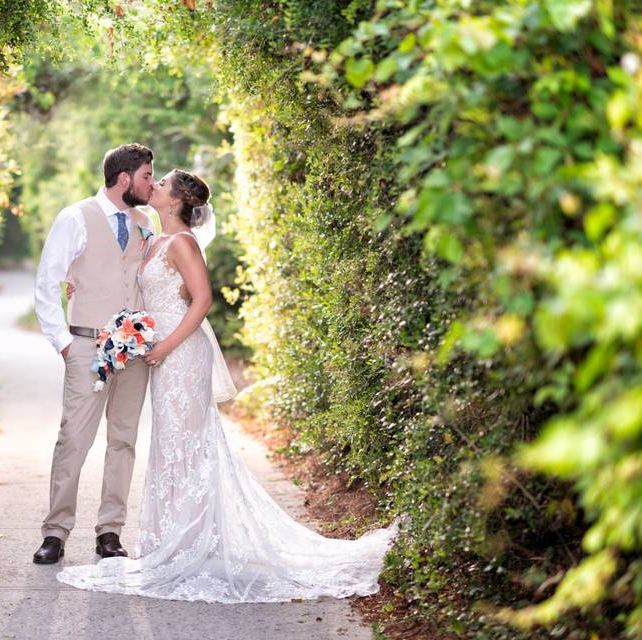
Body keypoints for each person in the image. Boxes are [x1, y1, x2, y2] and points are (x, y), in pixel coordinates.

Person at [55, 169, 401, 603]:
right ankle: (175, 539)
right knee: (172, 443)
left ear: (177, 201)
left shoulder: (182, 243)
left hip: (182, 355)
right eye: (154, 180)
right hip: (162, 354)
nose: (155, 186)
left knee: (188, 442)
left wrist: (164, 347)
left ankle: (193, 542)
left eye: (162, 184)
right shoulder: (153, 238)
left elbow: (202, 301)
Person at [31, 143, 156, 564]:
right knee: (74, 439)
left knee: (123, 440)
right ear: (124, 179)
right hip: (86, 345)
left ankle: (110, 532)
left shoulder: (147, 221)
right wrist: (64, 343)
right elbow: (48, 282)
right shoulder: (75, 217)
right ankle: (56, 531)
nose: (151, 184)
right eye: (145, 177)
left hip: (134, 350)